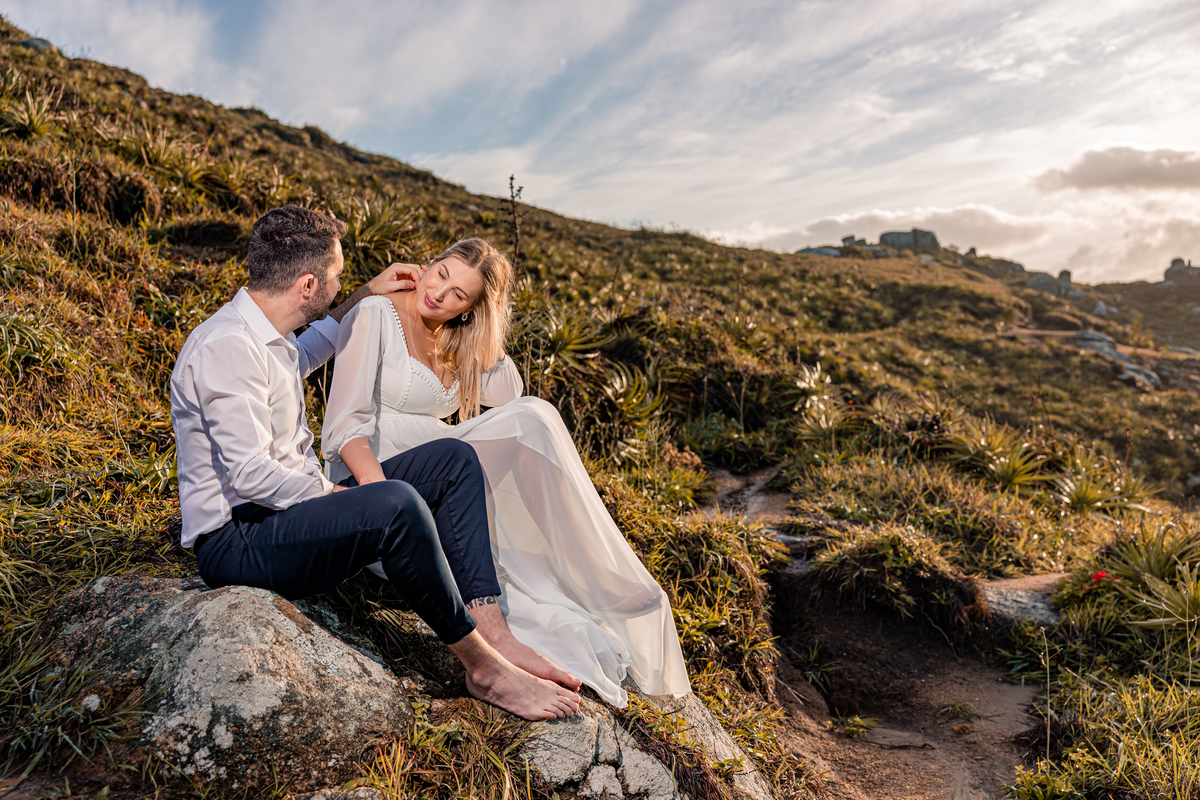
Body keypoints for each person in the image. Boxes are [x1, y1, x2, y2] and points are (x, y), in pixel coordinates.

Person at [169, 206, 580, 721]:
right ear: (307, 284)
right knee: (393, 503)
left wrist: (368, 290)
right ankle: (483, 668)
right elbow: (251, 475)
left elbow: (314, 347)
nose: (343, 284)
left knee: (453, 458)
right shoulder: (228, 347)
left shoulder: (267, 338)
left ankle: (492, 628)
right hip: (240, 542)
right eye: (338, 276)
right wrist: (336, 496)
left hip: (277, 516)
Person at [322, 237, 691, 707]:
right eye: (441, 273)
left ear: (473, 309)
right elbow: (343, 427)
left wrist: (480, 329)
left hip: (439, 474)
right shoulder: (378, 313)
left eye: (460, 294)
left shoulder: (456, 338)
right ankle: (558, 589)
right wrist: (376, 499)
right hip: (376, 480)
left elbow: (508, 390)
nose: (439, 293)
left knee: (531, 420)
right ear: (427, 264)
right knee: (531, 420)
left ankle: (581, 575)